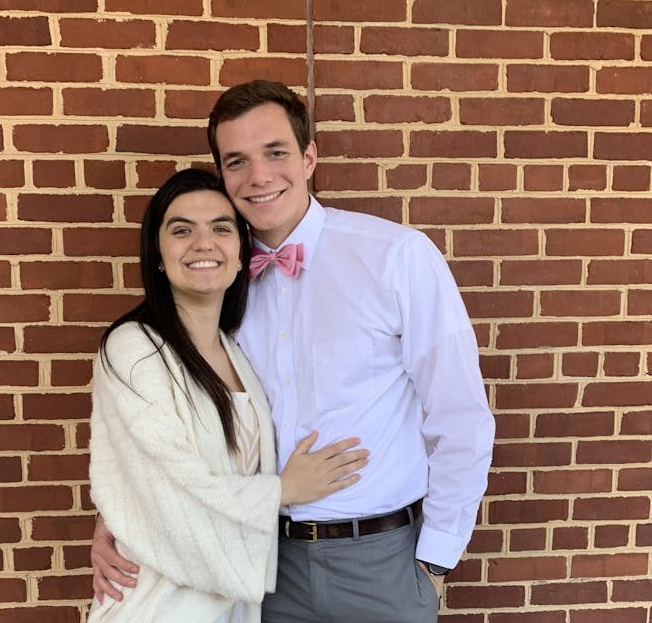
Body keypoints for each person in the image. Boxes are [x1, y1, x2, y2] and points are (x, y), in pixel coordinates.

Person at [91, 81, 496, 623]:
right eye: (237, 162)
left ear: (309, 158)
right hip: (261, 567)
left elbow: (460, 415)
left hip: (378, 562)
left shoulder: (395, 257)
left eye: (276, 152)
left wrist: (435, 559)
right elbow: (178, 418)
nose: (259, 176)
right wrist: (119, 515)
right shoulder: (218, 281)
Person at [88, 166, 368, 623]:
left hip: (234, 608)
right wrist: (285, 490)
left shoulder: (237, 351)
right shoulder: (134, 349)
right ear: (158, 252)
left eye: (221, 228)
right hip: (159, 606)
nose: (204, 243)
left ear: (242, 253)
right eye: (182, 230)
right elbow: (171, 492)